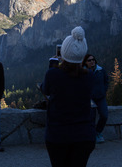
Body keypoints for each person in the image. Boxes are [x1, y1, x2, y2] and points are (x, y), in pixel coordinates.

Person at [42, 26, 95, 167]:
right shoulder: (89, 76)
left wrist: (53, 64)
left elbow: (45, 90)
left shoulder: (53, 74)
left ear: (63, 54)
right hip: (85, 135)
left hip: (58, 135)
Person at [82, 54, 109, 143]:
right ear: (85, 62)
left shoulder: (101, 70)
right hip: (89, 99)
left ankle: (98, 132)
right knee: (91, 118)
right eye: (89, 60)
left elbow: (106, 81)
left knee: (104, 115)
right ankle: (92, 135)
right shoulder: (83, 72)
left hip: (100, 97)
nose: (92, 61)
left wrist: (103, 91)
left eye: (93, 59)